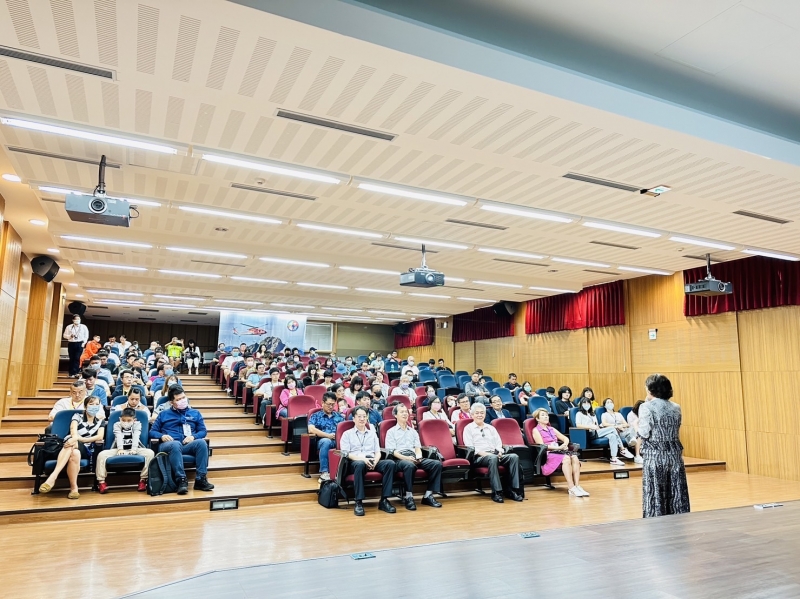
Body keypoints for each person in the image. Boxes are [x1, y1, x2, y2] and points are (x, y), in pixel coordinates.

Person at [639, 374, 690, 518]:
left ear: (651, 389)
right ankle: (678, 518)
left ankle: (656, 519)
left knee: (655, 490)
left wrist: (636, 425)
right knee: (676, 489)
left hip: (655, 455)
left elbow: (644, 432)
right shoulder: (676, 407)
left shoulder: (646, 407)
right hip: (674, 454)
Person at [149, 386, 214, 494]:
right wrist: (161, 436)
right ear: (171, 403)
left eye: (183, 397)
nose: (182, 401)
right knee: (175, 444)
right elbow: (152, 432)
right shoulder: (163, 414)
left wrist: (193, 437)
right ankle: (181, 480)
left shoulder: (195, 413)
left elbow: (203, 431)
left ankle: (200, 479)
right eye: (178, 399)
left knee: (202, 443)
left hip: (186, 444)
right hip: (168, 446)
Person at [39, 395, 105, 499]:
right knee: (75, 453)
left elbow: (99, 436)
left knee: (73, 443)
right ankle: (74, 488)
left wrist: (81, 439)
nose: (94, 406)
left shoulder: (101, 421)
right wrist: (76, 438)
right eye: (91, 404)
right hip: (71, 443)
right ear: (85, 406)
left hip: (85, 447)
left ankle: (53, 477)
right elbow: (73, 431)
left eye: (97, 404)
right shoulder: (77, 416)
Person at [339, 406, 397, 516]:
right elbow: (346, 454)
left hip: (372, 460)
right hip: (355, 461)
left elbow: (378, 452)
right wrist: (364, 459)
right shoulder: (347, 434)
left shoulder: (372, 433)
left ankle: (384, 500)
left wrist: (375, 461)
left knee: (390, 464)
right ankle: (359, 502)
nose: (362, 419)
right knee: (360, 464)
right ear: (353, 418)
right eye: (359, 416)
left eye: (364, 416)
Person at [385, 404, 443, 510]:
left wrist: (419, 457)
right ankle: (408, 496)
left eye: (406, 412)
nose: (404, 414)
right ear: (395, 415)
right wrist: (406, 458)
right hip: (399, 459)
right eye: (401, 412)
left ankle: (428, 495)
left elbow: (417, 448)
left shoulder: (413, 431)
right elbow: (392, 452)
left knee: (436, 464)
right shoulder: (391, 432)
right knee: (409, 465)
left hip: (414, 457)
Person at [462, 403, 523, 503]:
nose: (479, 415)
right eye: (477, 413)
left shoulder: (491, 428)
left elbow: (498, 444)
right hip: (479, 457)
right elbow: (471, 448)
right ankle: (497, 492)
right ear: (472, 415)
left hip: (494, 454)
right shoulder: (468, 428)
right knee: (492, 458)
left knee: (513, 457)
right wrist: (489, 455)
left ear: (485, 415)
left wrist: (499, 451)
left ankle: (513, 490)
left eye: (482, 413)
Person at [95, 407, 155, 493]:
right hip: (118, 449)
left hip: (135, 448)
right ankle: (101, 482)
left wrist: (133, 449)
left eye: (129, 420)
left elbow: (136, 436)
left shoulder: (137, 424)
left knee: (150, 453)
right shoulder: (117, 424)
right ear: (120, 419)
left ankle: (143, 480)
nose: (125, 422)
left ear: (134, 420)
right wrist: (120, 449)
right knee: (102, 454)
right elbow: (118, 436)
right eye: (123, 420)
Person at [530, 408, 586, 496]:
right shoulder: (536, 430)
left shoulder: (551, 428)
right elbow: (542, 446)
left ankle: (577, 486)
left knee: (575, 457)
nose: (546, 417)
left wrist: (565, 444)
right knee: (566, 458)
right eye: (543, 415)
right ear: (537, 418)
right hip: (548, 453)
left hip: (559, 451)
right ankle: (571, 487)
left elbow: (565, 438)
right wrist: (558, 447)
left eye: (546, 415)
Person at [574, 398, 633, 466]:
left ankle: (614, 458)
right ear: (581, 404)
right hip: (589, 433)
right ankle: (622, 449)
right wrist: (590, 426)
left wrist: (597, 427)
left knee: (612, 436)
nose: (586, 405)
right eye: (585, 403)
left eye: (588, 403)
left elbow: (596, 424)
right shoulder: (579, 413)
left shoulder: (592, 414)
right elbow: (578, 425)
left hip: (597, 431)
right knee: (612, 428)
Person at [308, 392, 344, 482]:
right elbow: (311, 429)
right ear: (322, 403)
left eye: (333, 404)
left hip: (338, 440)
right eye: (328, 404)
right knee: (326, 441)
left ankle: (342, 473)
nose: (331, 407)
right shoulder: (316, 416)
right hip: (321, 441)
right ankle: (324, 472)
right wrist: (327, 435)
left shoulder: (339, 416)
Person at [601, 398, 642, 464]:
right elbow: (604, 424)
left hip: (623, 430)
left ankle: (636, 452)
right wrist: (616, 426)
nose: (610, 404)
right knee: (631, 434)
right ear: (605, 406)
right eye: (608, 402)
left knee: (633, 429)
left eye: (611, 402)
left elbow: (626, 424)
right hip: (614, 431)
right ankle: (631, 441)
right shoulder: (604, 414)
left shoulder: (618, 414)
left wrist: (621, 426)